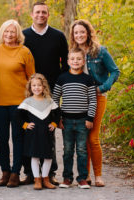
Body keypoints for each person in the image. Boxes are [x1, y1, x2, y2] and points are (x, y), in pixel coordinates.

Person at [22, 2, 68, 185]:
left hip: (51, 91)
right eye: (37, 12)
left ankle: (51, 172)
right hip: (29, 92)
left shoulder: (58, 36)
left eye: (44, 12)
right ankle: (30, 173)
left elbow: (65, 64)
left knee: (49, 129)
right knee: (30, 129)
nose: (41, 15)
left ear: (48, 15)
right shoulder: (24, 35)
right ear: (31, 14)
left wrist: (58, 87)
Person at [69, 19, 120, 187]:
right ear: (73, 35)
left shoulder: (100, 51)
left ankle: (98, 176)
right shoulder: (72, 52)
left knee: (93, 137)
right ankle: (86, 176)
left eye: (82, 32)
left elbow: (115, 71)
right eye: (76, 32)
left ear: (88, 33)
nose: (79, 35)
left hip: (97, 97)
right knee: (83, 138)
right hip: (79, 98)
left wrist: (104, 87)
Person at [0, 19, 36, 188]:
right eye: (6, 31)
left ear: (18, 34)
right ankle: (5, 171)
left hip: (20, 103)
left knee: (18, 138)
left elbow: (32, 78)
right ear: (2, 33)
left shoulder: (25, 51)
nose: (9, 35)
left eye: (13, 32)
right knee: (1, 139)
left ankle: (15, 173)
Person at [52, 48, 97, 189]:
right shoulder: (62, 78)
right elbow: (55, 99)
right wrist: (58, 118)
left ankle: (82, 178)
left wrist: (90, 118)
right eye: (72, 59)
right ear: (68, 61)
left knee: (82, 150)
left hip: (83, 120)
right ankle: (67, 178)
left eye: (78, 59)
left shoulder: (88, 79)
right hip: (67, 121)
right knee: (68, 150)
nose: (75, 61)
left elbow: (93, 100)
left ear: (83, 61)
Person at [17, 74, 60, 190]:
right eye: (34, 85)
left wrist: (54, 124)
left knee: (48, 157)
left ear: (44, 87)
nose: (37, 88)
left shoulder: (49, 101)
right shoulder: (27, 101)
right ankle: (37, 179)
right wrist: (25, 124)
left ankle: (45, 179)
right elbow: (18, 116)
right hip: (33, 134)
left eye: (39, 85)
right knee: (35, 157)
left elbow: (57, 114)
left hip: (46, 134)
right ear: (30, 88)